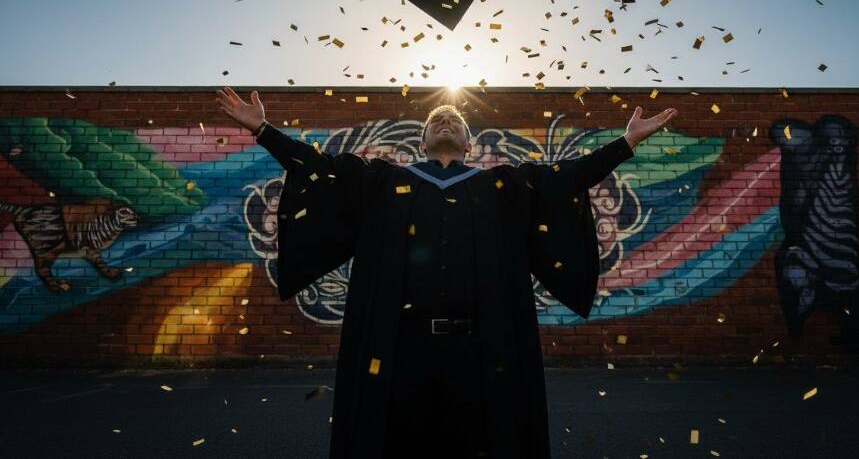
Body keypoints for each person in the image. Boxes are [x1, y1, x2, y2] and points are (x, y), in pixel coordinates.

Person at [216, 87, 677, 459]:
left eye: (455, 119)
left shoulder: (503, 186)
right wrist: (263, 130)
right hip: (398, 350)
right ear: (422, 141)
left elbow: (568, 176)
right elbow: (318, 168)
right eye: (436, 118)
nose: (445, 120)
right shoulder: (381, 182)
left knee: (483, 440)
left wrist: (626, 142)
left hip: (482, 350)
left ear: (469, 142)